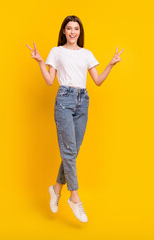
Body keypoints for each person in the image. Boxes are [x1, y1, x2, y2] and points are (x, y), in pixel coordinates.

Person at [26, 15, 123, 223]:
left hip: (83, 101)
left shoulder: (87, 54)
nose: (72, 32)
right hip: (64, 101)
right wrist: (41, 62)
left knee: (72, 152)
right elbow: (49, 81)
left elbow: (97, 81)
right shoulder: (56, 52)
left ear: (80, 32)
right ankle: (75, 197)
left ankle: (56, 189)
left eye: (76, 29)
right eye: (69, 28)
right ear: (63, 31)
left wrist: (111, 65)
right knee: (69, 151)